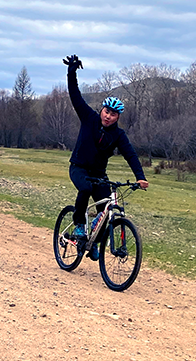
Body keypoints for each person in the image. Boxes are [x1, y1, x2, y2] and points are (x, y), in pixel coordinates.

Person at [63, 54, 149, 261]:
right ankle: (79, 227)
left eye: (113, 114)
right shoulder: (89, 118)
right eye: (106, 111)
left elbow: (130, 154)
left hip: (99, 174)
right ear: (102, 109)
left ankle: (94, 242)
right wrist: (71, 72)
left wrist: (140, 176)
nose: (108, 116)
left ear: (118, 117)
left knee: (106, 211)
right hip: (79, 168)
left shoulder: (118, 135)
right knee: (85, 189)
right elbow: (75, 95)